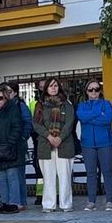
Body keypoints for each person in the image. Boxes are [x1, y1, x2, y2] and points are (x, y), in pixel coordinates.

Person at [32, 78, 79, 212]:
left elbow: (70, 123)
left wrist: (59, 137)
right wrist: (49, 136)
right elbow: (36, 124)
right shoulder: (39, 105)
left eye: (56, 85)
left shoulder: (67, 104)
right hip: (46, 145)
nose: (53, 88)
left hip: (64, 144)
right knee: (48, 176)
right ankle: (48, 204)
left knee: (64, 176)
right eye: (51, 86)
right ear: (46, 88)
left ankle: (66, 204)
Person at [76, 80, 112, 210]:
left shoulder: (106, 104)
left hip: (105, 142)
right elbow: (81, 117)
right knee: (91, 173)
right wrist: (98, 113)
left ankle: (109, 200)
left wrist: (90, 118)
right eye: (90, 89)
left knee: (108, 172)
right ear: (86, 92)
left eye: (97, 89)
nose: (94, 92)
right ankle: (91, 201)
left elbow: (108, 119)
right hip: (87, 143)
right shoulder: (82, 105)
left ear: (100, 90)